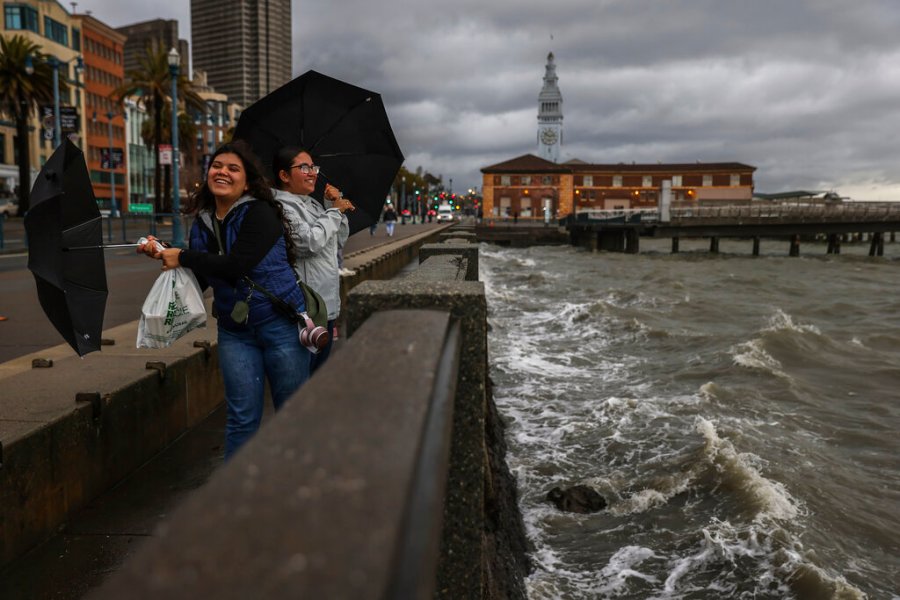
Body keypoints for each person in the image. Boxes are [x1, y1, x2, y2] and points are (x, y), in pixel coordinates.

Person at [138, 140, 310, 459]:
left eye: (233, 168)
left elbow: (236, 265)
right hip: (236, 331)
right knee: (242, 420)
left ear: (247, 180)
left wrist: (184, 256)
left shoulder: (262, 212)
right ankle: (237, 498)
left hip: (281, 325)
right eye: (217, 166)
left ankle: (295, 491)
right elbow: (204, 277)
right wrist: (162, 252)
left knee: (293, 414)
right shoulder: (203, 221)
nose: (223, 172)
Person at [271, 145, 354, 373]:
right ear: (284, 175)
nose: (312, 173)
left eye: (313, 167)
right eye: (304, 167)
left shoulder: (314, 203)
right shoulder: (280, 206)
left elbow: (337, 242)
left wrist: (332, 207)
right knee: (302, 378)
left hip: (326, 303)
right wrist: (334, 212)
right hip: (305, 307)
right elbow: (307, 244)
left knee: (317, 374)